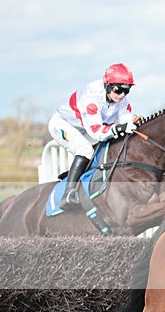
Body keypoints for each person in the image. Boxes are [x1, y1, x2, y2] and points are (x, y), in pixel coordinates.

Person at [47, 63, 138, 210]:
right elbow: (97, 132)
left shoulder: (122, 101)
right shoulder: (90, 98)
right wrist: (119, 128)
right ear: (107, 85)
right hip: (63, 125)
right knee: (85, 150)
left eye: (126, 91)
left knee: (104, 148)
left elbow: (126, 119)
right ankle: (68, 194)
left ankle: (81, 179)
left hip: (85, 128)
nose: (122, 95)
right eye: (118, 90)